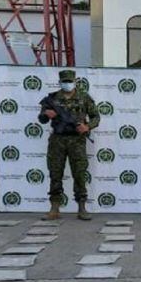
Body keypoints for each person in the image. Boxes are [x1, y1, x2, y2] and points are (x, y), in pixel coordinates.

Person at [38, 69, 100, 221]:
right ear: (60, 82)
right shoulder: (52, 99)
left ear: (75, 81)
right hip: (57, 140)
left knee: (79, 173)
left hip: (77, 141)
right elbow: (42, 119)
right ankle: (54, 208)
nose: (67, 84)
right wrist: (46, 114)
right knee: (55, 173)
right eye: (64, 81)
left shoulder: (84, 97)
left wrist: (87, 127)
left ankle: (82, 207)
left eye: (69, 81)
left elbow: (96, 117)